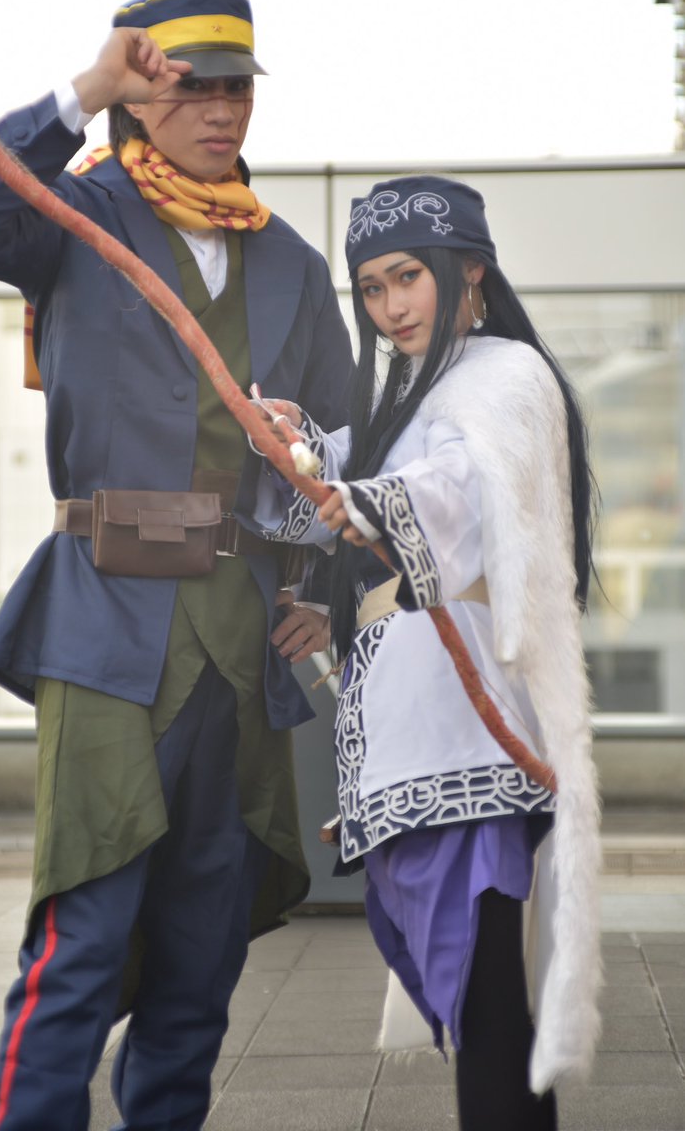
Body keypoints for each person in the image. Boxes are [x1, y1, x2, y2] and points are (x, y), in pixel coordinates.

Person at [0, 0, 353, 1131]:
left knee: (203, 954)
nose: (220, 110)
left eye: (236, 89)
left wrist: (319, 590)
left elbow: (344, 448)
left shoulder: (290, 262)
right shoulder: (74, 214)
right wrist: (87, 88)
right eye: (190, 87)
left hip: (242, 635)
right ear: (140, 94)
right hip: (106, 625)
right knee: (84, 931)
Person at [252, 174, 602, 1131]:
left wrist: (360, 500)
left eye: (408, 277)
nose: (390, 307)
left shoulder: (505, 377)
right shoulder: (418, 390)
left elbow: (451, 495)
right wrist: (302, 452)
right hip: (425, 734)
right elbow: (353, 489)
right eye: (371, 288)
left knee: (492, 1012)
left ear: (469, 271)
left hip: (473, 733)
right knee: (486, 1012)